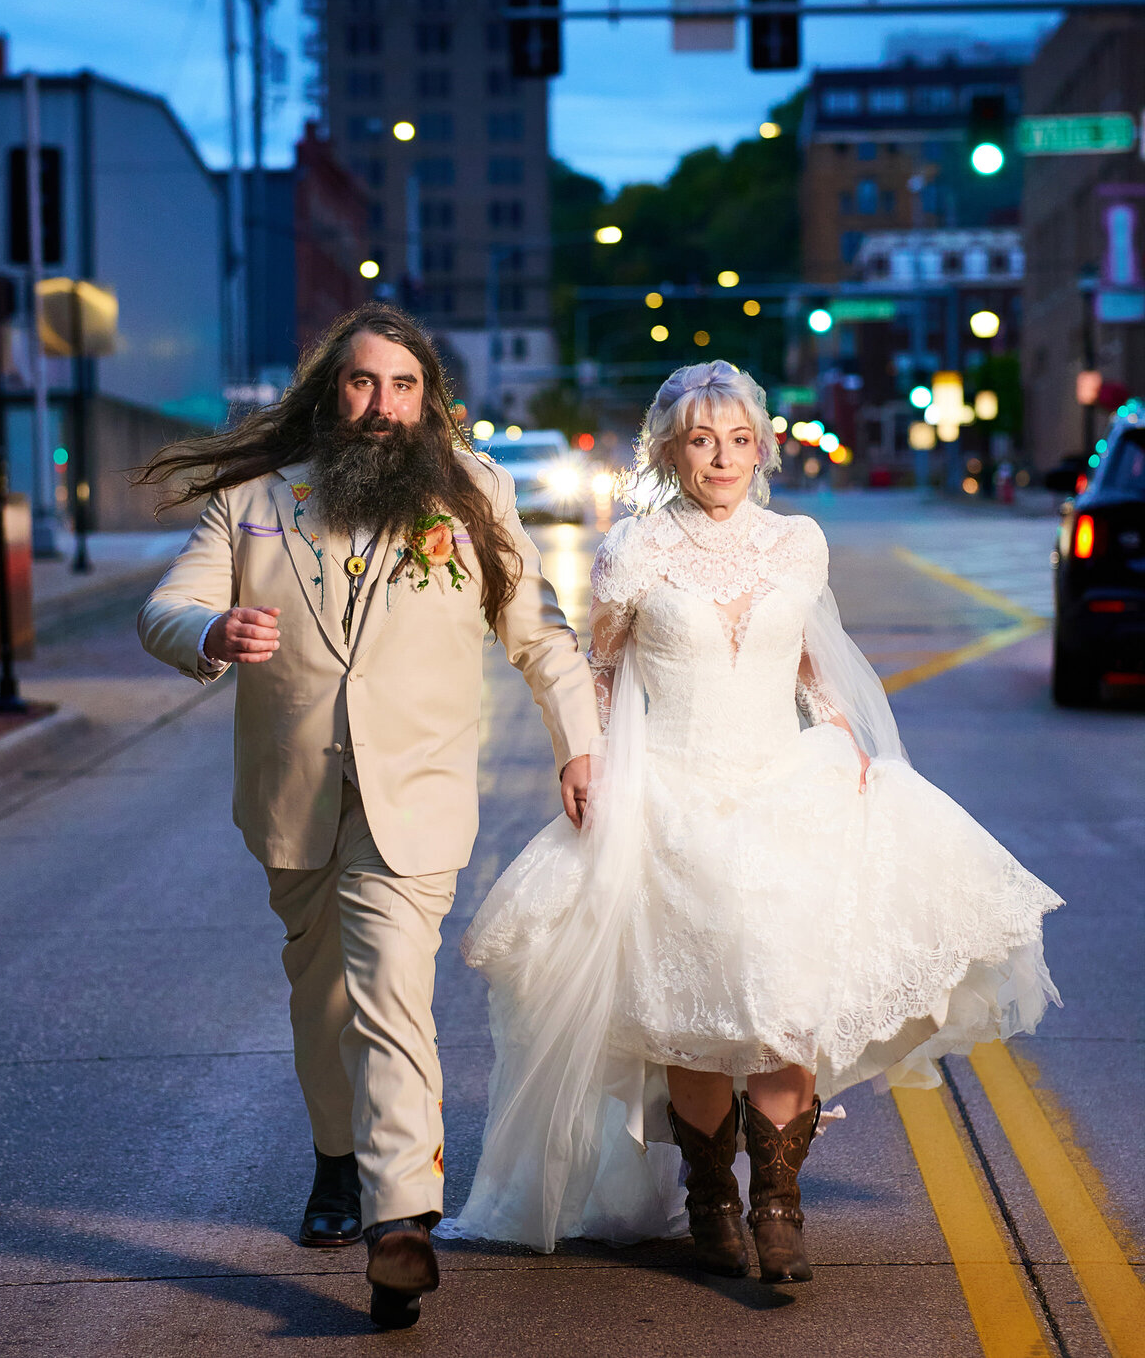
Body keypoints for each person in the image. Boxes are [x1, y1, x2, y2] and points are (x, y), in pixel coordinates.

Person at [441, 361, 1062, 1284]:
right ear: (671, 450)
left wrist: (848, 742)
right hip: (675, 793)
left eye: (738, 439)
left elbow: (812, 664)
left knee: (783, 1009)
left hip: (785, 784)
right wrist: (592, 761)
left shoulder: (797, 543)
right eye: (701, 440)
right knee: (691, 1016)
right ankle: (710, 1201)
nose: (721, 457)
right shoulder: (635, 552)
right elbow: (604, 675)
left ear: (761, 446)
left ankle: (779, 1206)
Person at [135, 304, 601, 1329]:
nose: (381, 405)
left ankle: (401, 1225)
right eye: (360, 384)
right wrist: (212, 626)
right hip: (294, 795)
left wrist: (580, 740)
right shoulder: (259, 499)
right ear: (328, 393)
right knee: (321, 999)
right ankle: (335, 1160)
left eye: (401, 387)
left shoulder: (471, 492)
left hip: (418, 796)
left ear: (427, 398)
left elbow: (540, 631)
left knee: (391, 986)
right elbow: (165, 607)